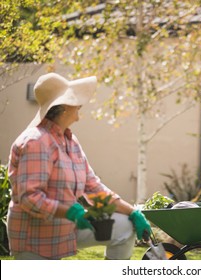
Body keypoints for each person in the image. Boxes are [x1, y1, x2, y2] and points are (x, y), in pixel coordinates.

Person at [7, 72, 151, 260]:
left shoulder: (70, 142)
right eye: (77, 107)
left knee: (124, 226)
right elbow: (29, 198)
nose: (78, 116)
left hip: (65, 227)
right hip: (35, 237)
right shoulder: (36, 142)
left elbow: (94, 188)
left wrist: (133, 213)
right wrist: (71, 211)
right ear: (65, 108)